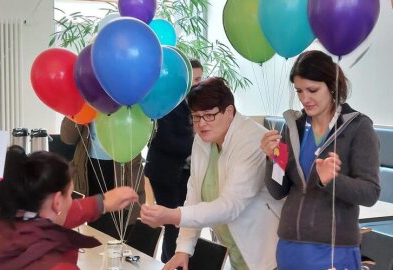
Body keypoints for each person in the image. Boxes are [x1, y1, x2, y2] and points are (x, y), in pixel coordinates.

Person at [141, 77, 282, 270]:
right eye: (196, 117)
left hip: (267, 255)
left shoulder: (251, 140)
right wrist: (183, 249)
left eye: (209, 115)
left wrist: (173, 215)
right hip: (236, 252)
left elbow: (230, 206)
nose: (201, 124)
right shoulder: (203, 140)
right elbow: (194, 197)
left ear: (229, 112)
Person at [260, 50, 380, 270]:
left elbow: (370, 193)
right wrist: (273, 160)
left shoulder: (359, 128)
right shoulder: (292, 127)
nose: (305, 98)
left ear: (332, 86)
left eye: (312, 90)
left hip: (334, 251)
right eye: (299, 91)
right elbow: (279, 190)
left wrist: (331, 181)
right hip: (289, 247)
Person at [0, 145, 138, 269]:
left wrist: (102, 203)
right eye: (69, 195)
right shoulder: (58, 264)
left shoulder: (4, 230)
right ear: (57, 202)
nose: (71, 201)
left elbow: (53, 217)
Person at [144, 59, 203, 263]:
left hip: (185, 173)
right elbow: (167, 140)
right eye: (194, 79)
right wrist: (199, 143)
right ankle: (171, 262)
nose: (198, 84)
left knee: (181, 221)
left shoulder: (195, 104)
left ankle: (167, 261)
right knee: (174, 222)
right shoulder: (169, 102)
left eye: (200, 79)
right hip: (165, 172)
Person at [61, 118, 145, 239]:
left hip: (123, 173)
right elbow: (67, 137)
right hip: (87, 172)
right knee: (89, 234)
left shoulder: (131, 101)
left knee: (122, 237)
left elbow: (146, 133)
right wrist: (79, 108)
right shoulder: (87, 101)